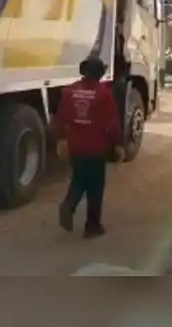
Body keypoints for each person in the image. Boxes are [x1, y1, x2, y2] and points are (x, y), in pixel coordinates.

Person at [52, 56, 124, 239]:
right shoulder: (104, 93)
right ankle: (92, 225)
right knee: (95, 186)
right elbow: (112, 122)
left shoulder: (70, 91)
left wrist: (61, 139)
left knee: (79, 179)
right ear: (100, 73)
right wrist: (118, 144)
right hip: (96, 146)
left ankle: (69, 204)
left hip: (76, 145)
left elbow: (61, 118)